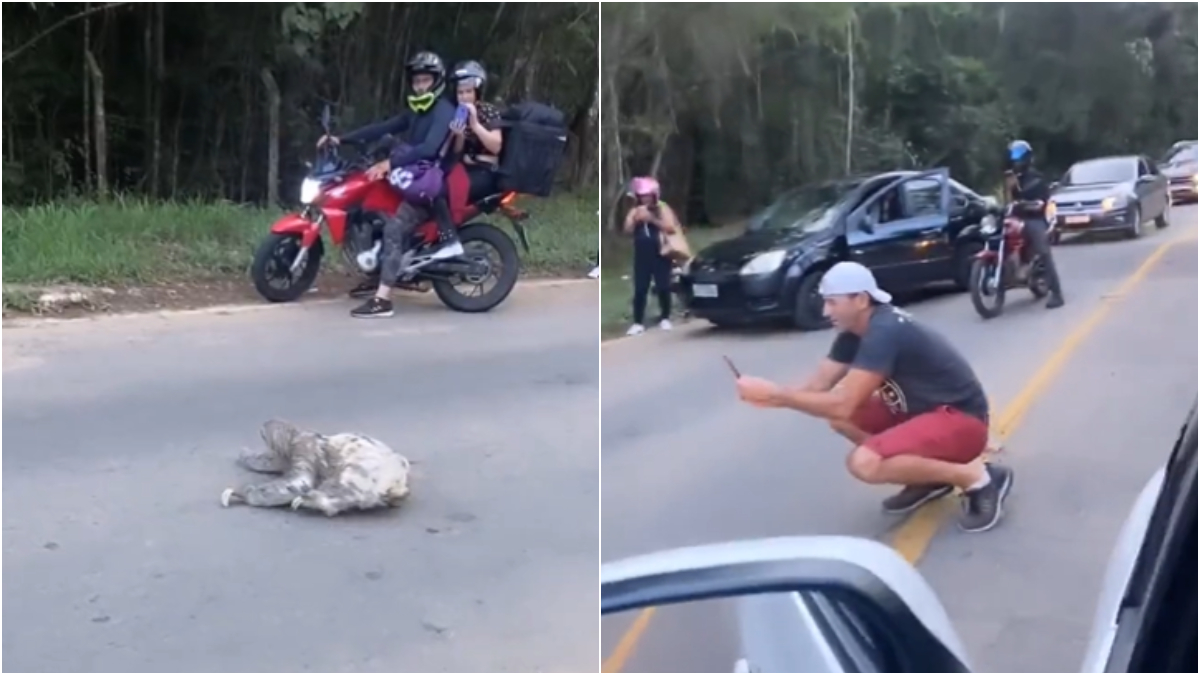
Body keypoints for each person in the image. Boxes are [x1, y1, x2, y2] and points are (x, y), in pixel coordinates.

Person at [732, 261, 1014, 533]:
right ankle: (928, 477)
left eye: (832, 302)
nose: (824, 310)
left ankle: (977, 478)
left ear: (861, 300)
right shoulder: (853, 333)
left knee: (865, 463)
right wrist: (767, 395)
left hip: (961, 420)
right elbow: (816, 389)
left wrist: (777, 395)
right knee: (840, 419)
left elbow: (842, 403)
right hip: (921, 411)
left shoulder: (885, 330)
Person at [317, 51, 461, 319]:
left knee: (394, 227)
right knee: (370, 207)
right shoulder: (417, 111)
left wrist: (391, 164)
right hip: (414, 178)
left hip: (431, 186)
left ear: (437, 81)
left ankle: (382, 300)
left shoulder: (443, 111)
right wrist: (341, 139)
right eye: (416, 81)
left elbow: (429, 149)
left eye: (425, 81)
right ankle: (377, 272)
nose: (420, 86)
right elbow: (384, 127)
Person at [1006, 139, 1065, 309]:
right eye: (1013, 156)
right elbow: (1011, 201)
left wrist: (1029, 204)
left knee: (1044, 252)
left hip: (1036, 219)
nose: (1015, 160)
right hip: (1018, 218)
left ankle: (1057, 294)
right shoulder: (1014, 180)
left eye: (1018, 156)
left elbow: (1041, 202)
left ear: (1026, 157)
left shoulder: (1036, 178)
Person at [622, 177, 682, 336]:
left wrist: (652, 219)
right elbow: (627, 230)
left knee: (663, 286)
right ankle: (638, 322)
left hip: (661, 253)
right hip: (642, 255)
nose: (645, 198)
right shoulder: (635, 210)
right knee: (640, 289)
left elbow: (671, 228)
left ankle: (665, 317)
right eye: (642, 195)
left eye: (648, 195)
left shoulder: (662, 208)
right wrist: (635, 219)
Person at [448, 60, 504, 202]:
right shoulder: (456, 113)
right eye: (460, 93)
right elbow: (457, 152)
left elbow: (496, 146)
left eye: (468, 92)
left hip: (486, 169)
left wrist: (475, 125)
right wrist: (458, 135)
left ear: (476, 92)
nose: (464, 96)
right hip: (464, 167)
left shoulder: (487, 111)